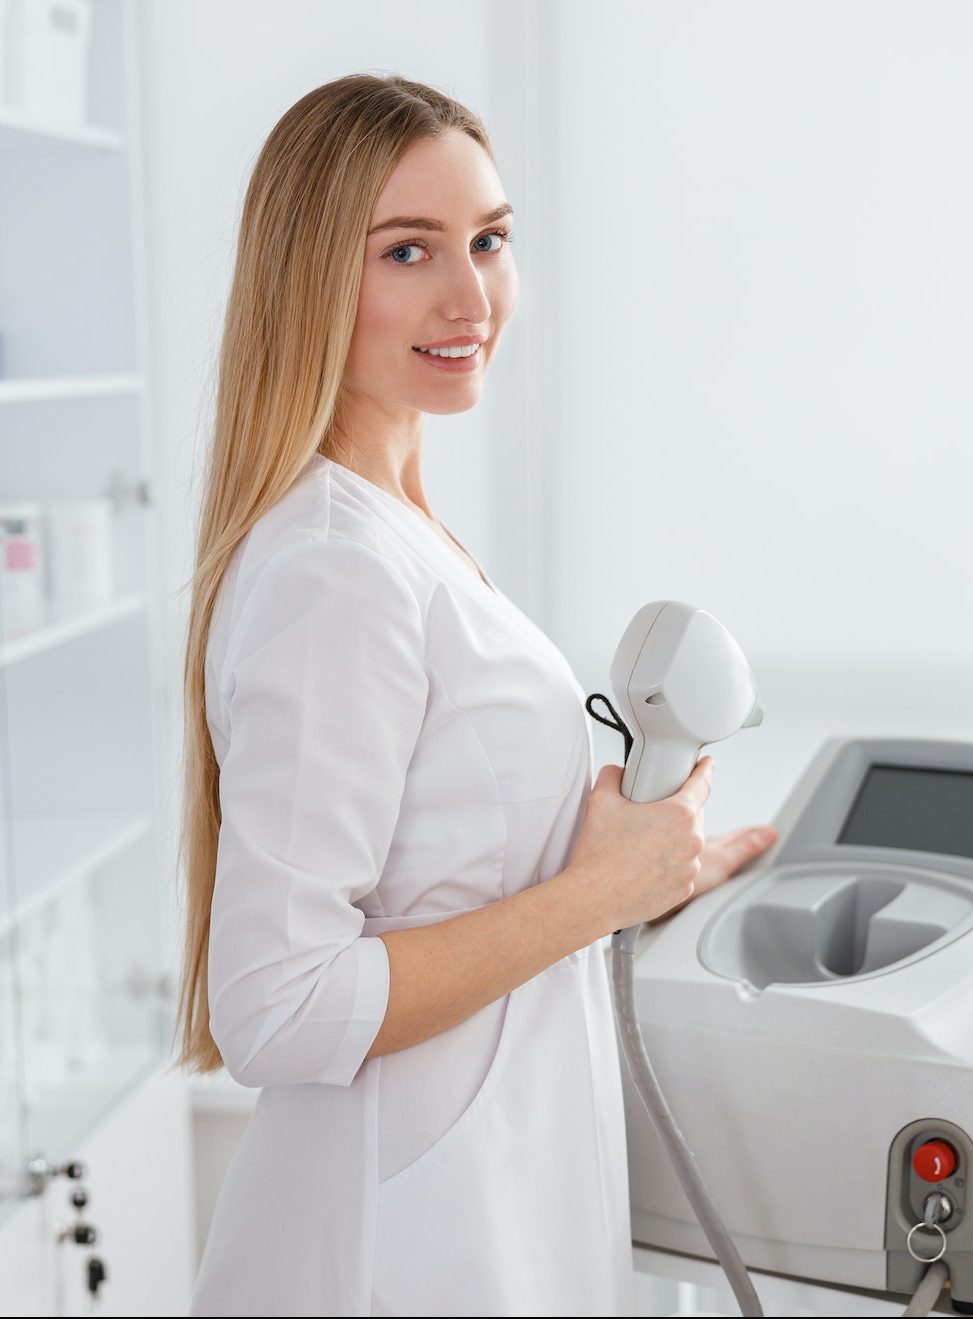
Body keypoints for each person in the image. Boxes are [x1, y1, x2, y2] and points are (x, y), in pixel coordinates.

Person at [169, 72, 778, 1317]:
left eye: (490, 241)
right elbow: (278, 1008)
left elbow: (436, 858)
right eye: (409, 251)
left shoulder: (397, 534)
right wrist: (594, 894)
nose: (471, 297)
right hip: (387, 1250)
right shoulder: (334, 570)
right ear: (310, 278)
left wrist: (650, 871)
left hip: (480, 1206)